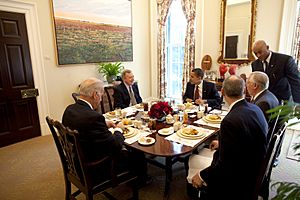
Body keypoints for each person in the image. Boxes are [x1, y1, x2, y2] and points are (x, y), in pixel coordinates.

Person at [191, 75, 268, 200]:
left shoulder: (230, 121)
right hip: (254, 165)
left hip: (240, 177)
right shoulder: (255, 108)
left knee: (196, 165)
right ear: (244, 91)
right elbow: (246, 138)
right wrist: (223, 143)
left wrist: (202, 175)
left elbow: (225, 165)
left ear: (222, 92)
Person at [62, 77, 149, 185]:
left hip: (76, 161)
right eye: (101, 95)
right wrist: (118, 129)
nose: (101, 99)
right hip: (95, 168)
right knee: (137, 152)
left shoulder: (69, 109)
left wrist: (104, 123)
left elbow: (86, 126)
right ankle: (142, 181)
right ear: (95, 94)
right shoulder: (93, 118)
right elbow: (116, 145)